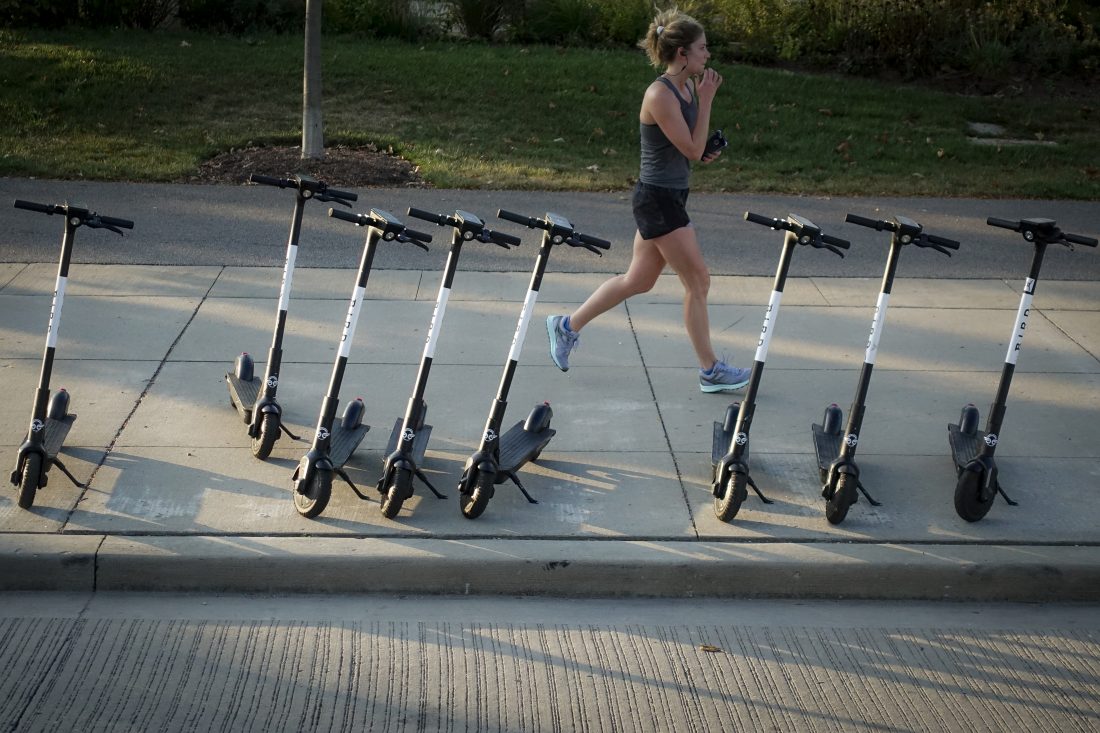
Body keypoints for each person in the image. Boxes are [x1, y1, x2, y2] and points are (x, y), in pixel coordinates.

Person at [545, 8, 750, 393]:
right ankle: (710, 369)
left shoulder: (687, 86)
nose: (709, 54)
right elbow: (689, 149)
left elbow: (690, 146)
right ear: (682, 53)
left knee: (637, 280)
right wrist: (705, 106)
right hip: (657, 200)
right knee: (698, 280)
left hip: (669, 196)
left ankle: (566, 326)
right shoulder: (660, 93)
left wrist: (704, 145)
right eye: (702, 48)